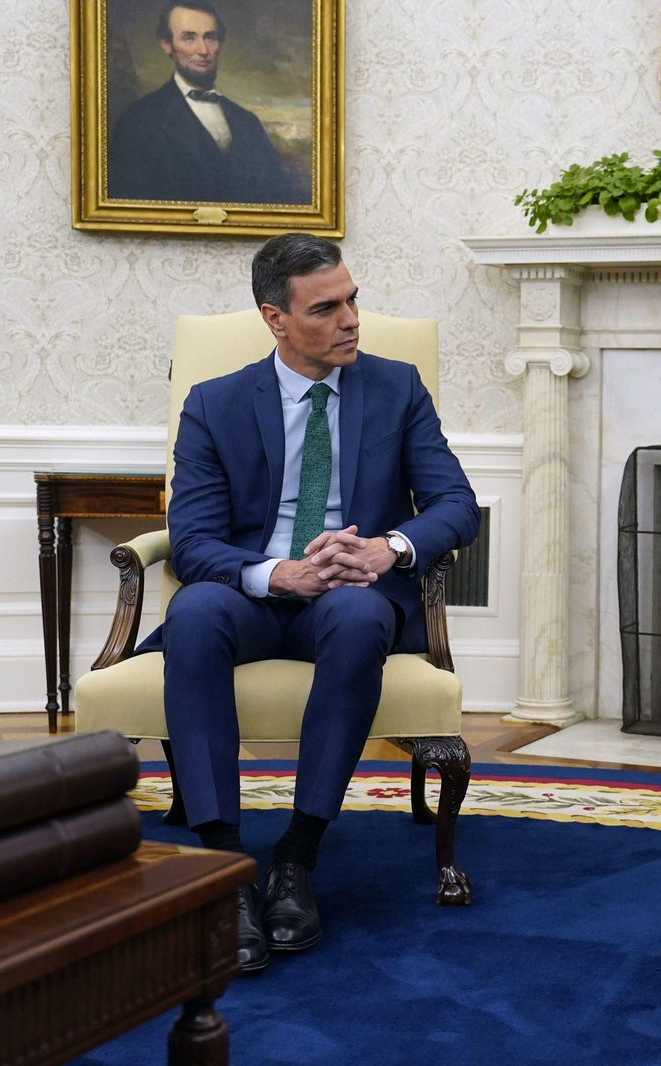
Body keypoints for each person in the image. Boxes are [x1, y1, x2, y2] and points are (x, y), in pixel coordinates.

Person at [137, 232, 479, 973]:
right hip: (256, 593)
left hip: (350, 595)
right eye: (327, 308)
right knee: (192, 611)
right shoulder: (215, 403)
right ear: (276, 319)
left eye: (354, 299)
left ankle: (297, 858)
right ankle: (224, 869)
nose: (352, 319)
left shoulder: (398, 386)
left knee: (360, 616)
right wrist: (275, 574)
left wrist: (388, 548)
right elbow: (191, 541)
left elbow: (457, 504)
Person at [107, 2, 304, 205]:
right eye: (188, 38)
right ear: (167, 45)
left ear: (219, 45)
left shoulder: (247, 122)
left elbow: (281, 197)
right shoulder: (139, 119)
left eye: (210, 37)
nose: (202, 50)